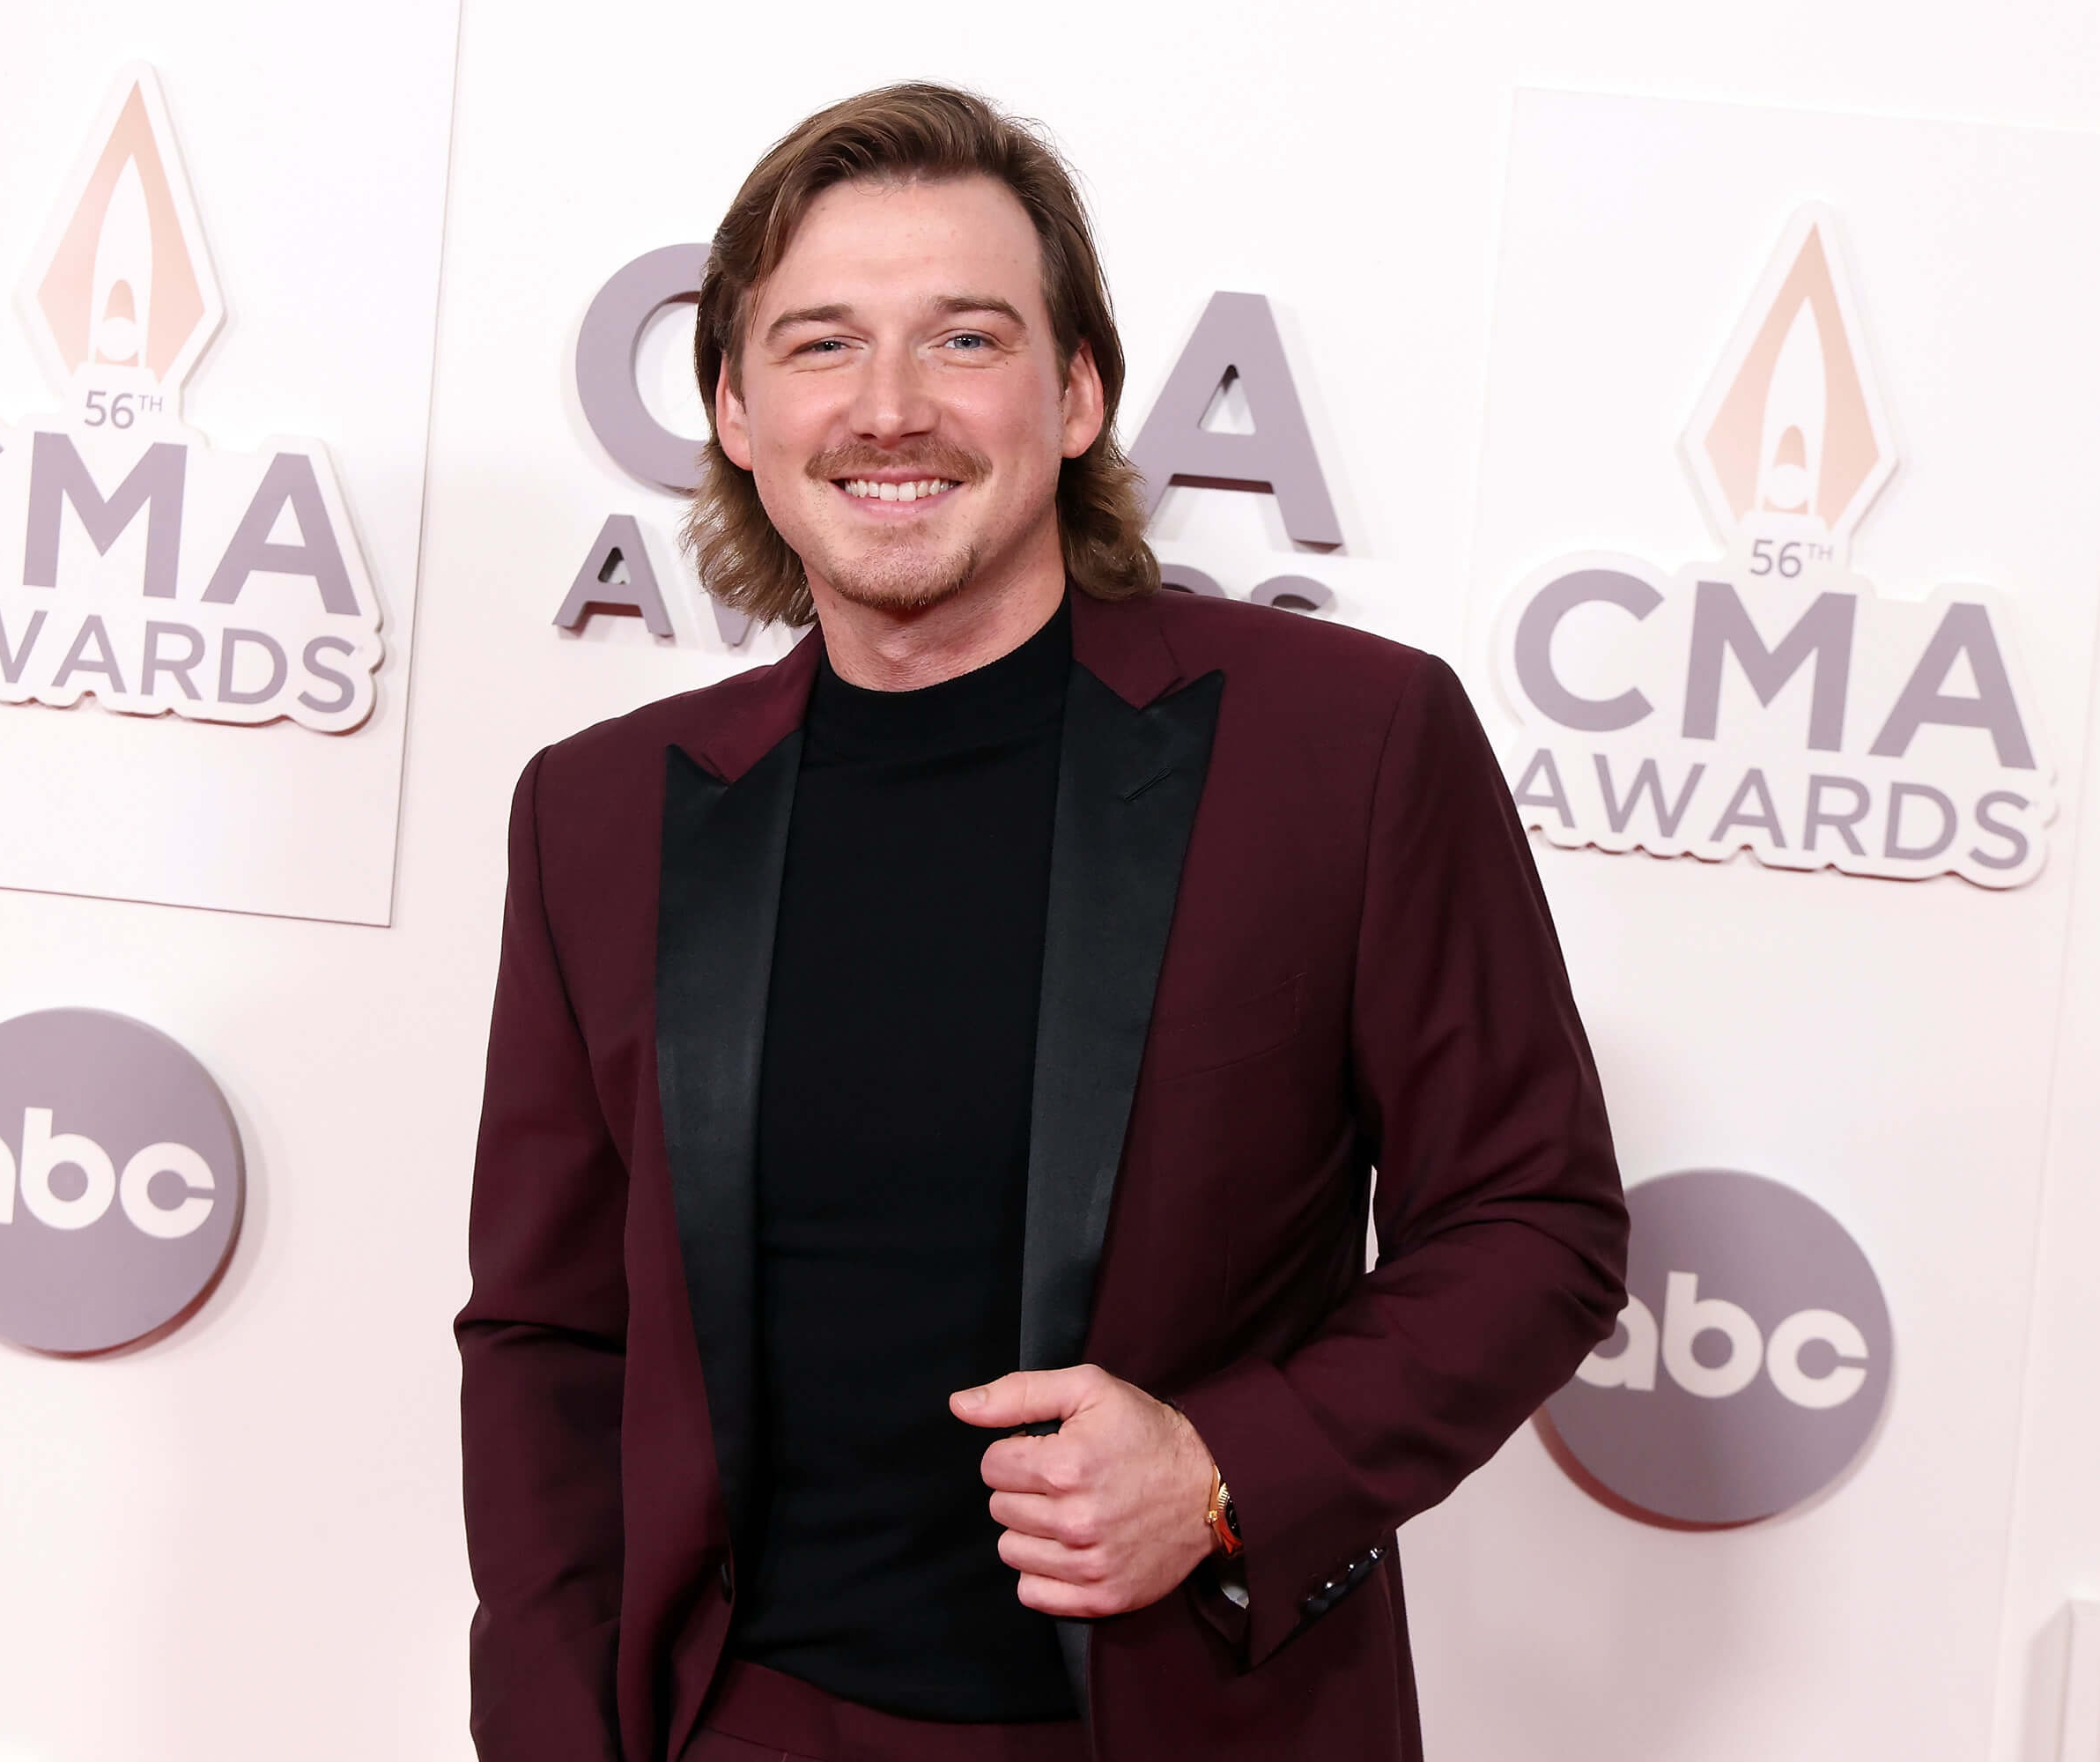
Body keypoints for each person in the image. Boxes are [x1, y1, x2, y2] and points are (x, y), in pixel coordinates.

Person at [457, 82, 1628, 1762]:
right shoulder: (601, 813)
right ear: (729, 406)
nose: (890, 409)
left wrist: (1227, 1473)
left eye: (965, 339)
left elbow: (1535, 1219)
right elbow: (552, 1338)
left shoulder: (1348, 745)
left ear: (1076, 392)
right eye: (819, 346)